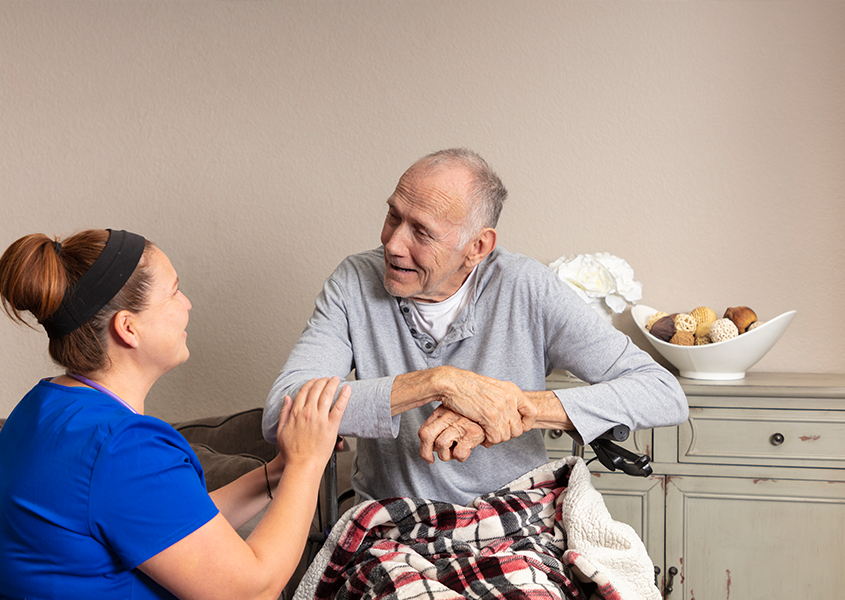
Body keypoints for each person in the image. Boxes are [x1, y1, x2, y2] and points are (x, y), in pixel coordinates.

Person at [262, 148, 689, 506]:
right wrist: (438, 383)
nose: (392, 243)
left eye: (421, 233)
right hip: (390, 525)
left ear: (478, 247)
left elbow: (661, 392)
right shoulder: (354, 281)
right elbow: (282, 410)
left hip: (515, 518)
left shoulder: (526, 287)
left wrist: (516, 406)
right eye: (394, 216)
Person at [0, 229, 349, 600]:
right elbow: (252, 591)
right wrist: (306, 463)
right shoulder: (122, 447)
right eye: (173, 292)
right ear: (128, 328)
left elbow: (174, 527)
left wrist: (276, 472)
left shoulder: (41, 408)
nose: (187, 304)